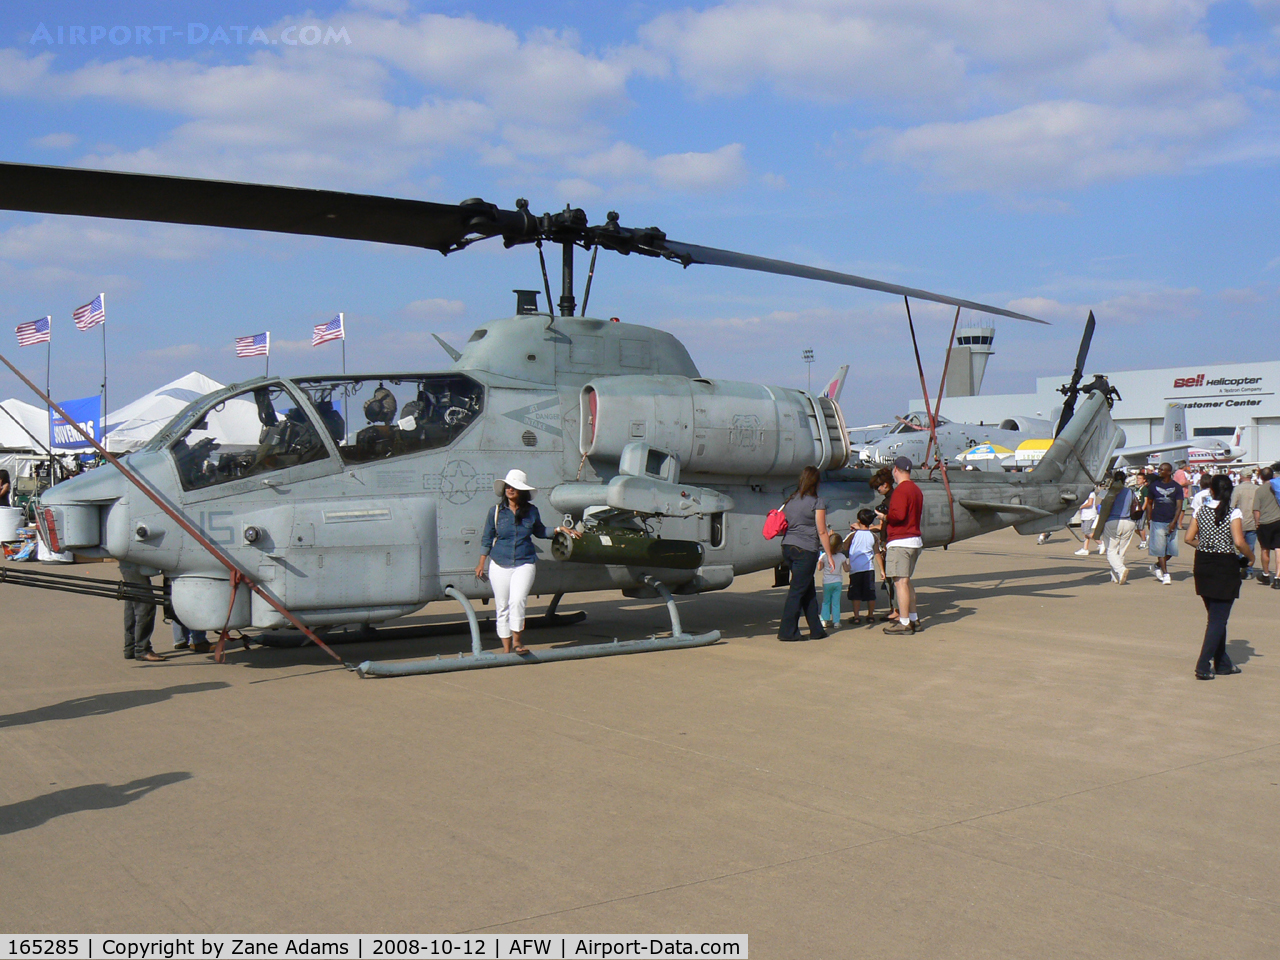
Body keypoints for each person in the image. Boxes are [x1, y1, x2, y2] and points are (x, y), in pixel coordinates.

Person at [475, 469, 580, 654]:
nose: (510, 490)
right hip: (499, 563)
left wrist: (559, 529)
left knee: (517, 600)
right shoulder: (496, 512)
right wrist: (481, 562)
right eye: (508, 486)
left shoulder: (531, 512)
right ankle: (506, 649)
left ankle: (517, 642)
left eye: (514, 487)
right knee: (502, 606)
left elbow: (539, 531)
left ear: (521, 491)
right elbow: (487, 538)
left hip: (524, 562)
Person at [1186, 474, 1254, 680]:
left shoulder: (1200, 510)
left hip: (1204, 564)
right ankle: (1202, 664)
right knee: (1218, 619)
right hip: (1224, 566)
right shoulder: (1233, 513)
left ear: (1211, 490)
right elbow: (1240, 542)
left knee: (1216, 618)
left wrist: (1208, 546)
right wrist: (1250, 558)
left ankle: (1222, 663)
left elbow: (1189, 538)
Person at [777, 465, 836, 641]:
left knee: (807, 589)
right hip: (806, 549)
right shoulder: (817, 502)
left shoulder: (790, 500)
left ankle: (816, 630)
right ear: (816, 482)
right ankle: (787, 632)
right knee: (797, 591)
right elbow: (822, 531)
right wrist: (830, 555)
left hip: (788, 547)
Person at [883, 456, 924, 635]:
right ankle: (914, 618)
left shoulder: (900, 490)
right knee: (907, 582)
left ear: (896, 470)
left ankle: (905, 622)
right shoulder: (916, 490)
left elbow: (898, 516)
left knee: (900, 583)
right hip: (914, 540)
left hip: (900, 541)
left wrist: (885, 517)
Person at [1145, 462, 1184, 584]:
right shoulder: (1153, 486)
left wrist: (1174, 522)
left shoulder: (1177, 487)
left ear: (1168, 472)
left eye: (1162, 470)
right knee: (1160, 549)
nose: (1159, 471)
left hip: (1171, 520)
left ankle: (1157, 565)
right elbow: (1150, 503)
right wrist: (1149, 519)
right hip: (1157, 520)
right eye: (1159, 469)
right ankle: (1166, 574)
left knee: (1171, 551)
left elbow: (1179, 507)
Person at [1098, 470, 1137, 584]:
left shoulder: (1108, 491)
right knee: (1121, 551)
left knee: (1111, 550)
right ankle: (1116, 576)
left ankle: (1121, 570)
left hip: (1113, 521)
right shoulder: (1130, 491)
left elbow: (1100, 506)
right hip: (1128, 522)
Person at [120, 563, 164, 662]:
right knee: (145, 606)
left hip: (128, 564)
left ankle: (130, 648)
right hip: (135, 563)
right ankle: (142, 649)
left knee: (132, 606)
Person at [846, 509, 878, 625]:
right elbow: (877, 552)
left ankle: (856, 616)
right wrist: (882, 570)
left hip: (855, 569)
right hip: (869, 568)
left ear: (858, 520)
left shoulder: (853, 535)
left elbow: (844, 546)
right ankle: (870, 615)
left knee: (856, 594)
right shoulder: (873, 536)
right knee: (870, 593)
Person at [1230, 468, 1260, 580]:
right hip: (1252, 521)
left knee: (1237, 546)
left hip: (1239, 522)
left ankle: (1237, 567)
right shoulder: (1257, 489)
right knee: (1250, 547)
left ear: (1241, 476)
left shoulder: (1237, 489)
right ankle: (1248, 570)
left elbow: (1232, 505)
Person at [1253, 466, 1280, 588]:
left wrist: (1257, 522)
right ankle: (1278, 577)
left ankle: (1266, 574)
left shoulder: (1259, 491)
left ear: (1261, 477)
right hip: (1278, 520)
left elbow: (1256, 510)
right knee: (1278, 549)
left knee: (1265, 549)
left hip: (1264, 522)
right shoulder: (1277, 488)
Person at [820, 532, 849, 630]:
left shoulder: (824, 556)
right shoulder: (841, 556)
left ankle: (824, 620)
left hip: (827, 581)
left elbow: (819, 568)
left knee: (826, 602)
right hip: (838, 581)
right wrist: (850, 566)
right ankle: (836, 621)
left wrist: (821, 562)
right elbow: (846, 569)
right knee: (836, 602)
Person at [1074, 486, 1103, 556]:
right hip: (1085, 514)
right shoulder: (1086, 494)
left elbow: (1090, 503)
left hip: (1089, 515)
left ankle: (1101, 543)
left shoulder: (1091, 493)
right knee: (1085, 532)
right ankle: (1085, 549)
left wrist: (1080, 507)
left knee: (1086, 531)